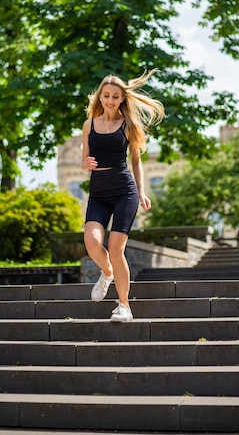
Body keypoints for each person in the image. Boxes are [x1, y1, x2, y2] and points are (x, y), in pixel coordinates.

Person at [81, 69, 165, 322]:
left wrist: (141, 191)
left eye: (115, 96)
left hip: (123, 191)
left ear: (121, 99)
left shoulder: (129, 126)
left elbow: (136, 161)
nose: (110, 100)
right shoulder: (89, 125)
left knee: (116, 249)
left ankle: (124, 305)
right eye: (106, 95)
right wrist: (85, 164)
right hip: (98, 192)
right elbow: (84, 159)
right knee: (93, 243)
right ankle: (107, 273)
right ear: (99, 97)